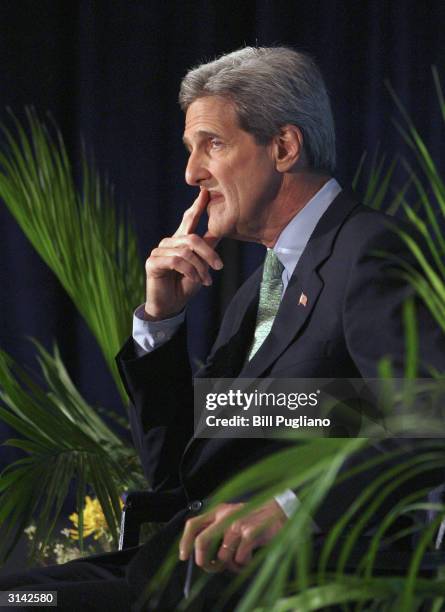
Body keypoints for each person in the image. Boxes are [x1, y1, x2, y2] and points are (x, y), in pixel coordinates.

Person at [1, 46, 444, 611]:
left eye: (212, 143)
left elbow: (430, 424)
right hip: (181, 571)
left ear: (283, 147)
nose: (191, 173)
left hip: (286, 580)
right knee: (16, 597)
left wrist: (287, 506)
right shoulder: (260, 288)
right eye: (190, 150)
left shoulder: (369, 252)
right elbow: (179, 473)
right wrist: (161, 322)